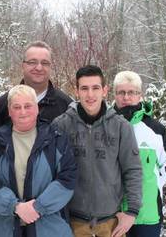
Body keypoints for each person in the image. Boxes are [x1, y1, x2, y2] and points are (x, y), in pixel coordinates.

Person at [52, 65, 142, 237]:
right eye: (84, 88)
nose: (90, 94)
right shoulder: (61, 125)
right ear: (76, 91)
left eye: (95, 88)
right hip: (72, 223)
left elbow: (133, 170)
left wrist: (131, 212)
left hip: (110, 224)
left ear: (104, 90)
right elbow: (51, 172)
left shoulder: (121, 126)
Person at [0, 84, 77, 237]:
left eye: (28, 106)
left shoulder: (55, 138)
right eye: (16, 107)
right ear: (10, 112)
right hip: (8, 229)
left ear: (37, 108)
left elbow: (67, 178)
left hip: (50, 229)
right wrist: (15, 207)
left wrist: (38, 207)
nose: (22, 112)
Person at [112, 71, 166, 237]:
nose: (126, 97)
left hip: (148, 214)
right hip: (112, 214)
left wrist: (150, 188)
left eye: (132, 92)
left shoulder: (156, 130)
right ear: (114, 94)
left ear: (140, 95)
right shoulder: (103, 126)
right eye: (121, 92)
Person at [0, 41, 72, 124]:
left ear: (50, 67)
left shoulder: (66, 107)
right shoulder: (3, 105)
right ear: (23, 66)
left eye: (44, 63)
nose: (39, 68)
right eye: (32, 62)